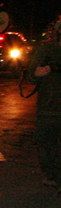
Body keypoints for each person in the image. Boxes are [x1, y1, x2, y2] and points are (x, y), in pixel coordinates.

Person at [27, 23, 61, 189]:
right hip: (49, 109)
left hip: (51, 109)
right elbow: (31, 75)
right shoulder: (46, 51)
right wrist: (37, 72)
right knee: (46, 145)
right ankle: (51, 174)